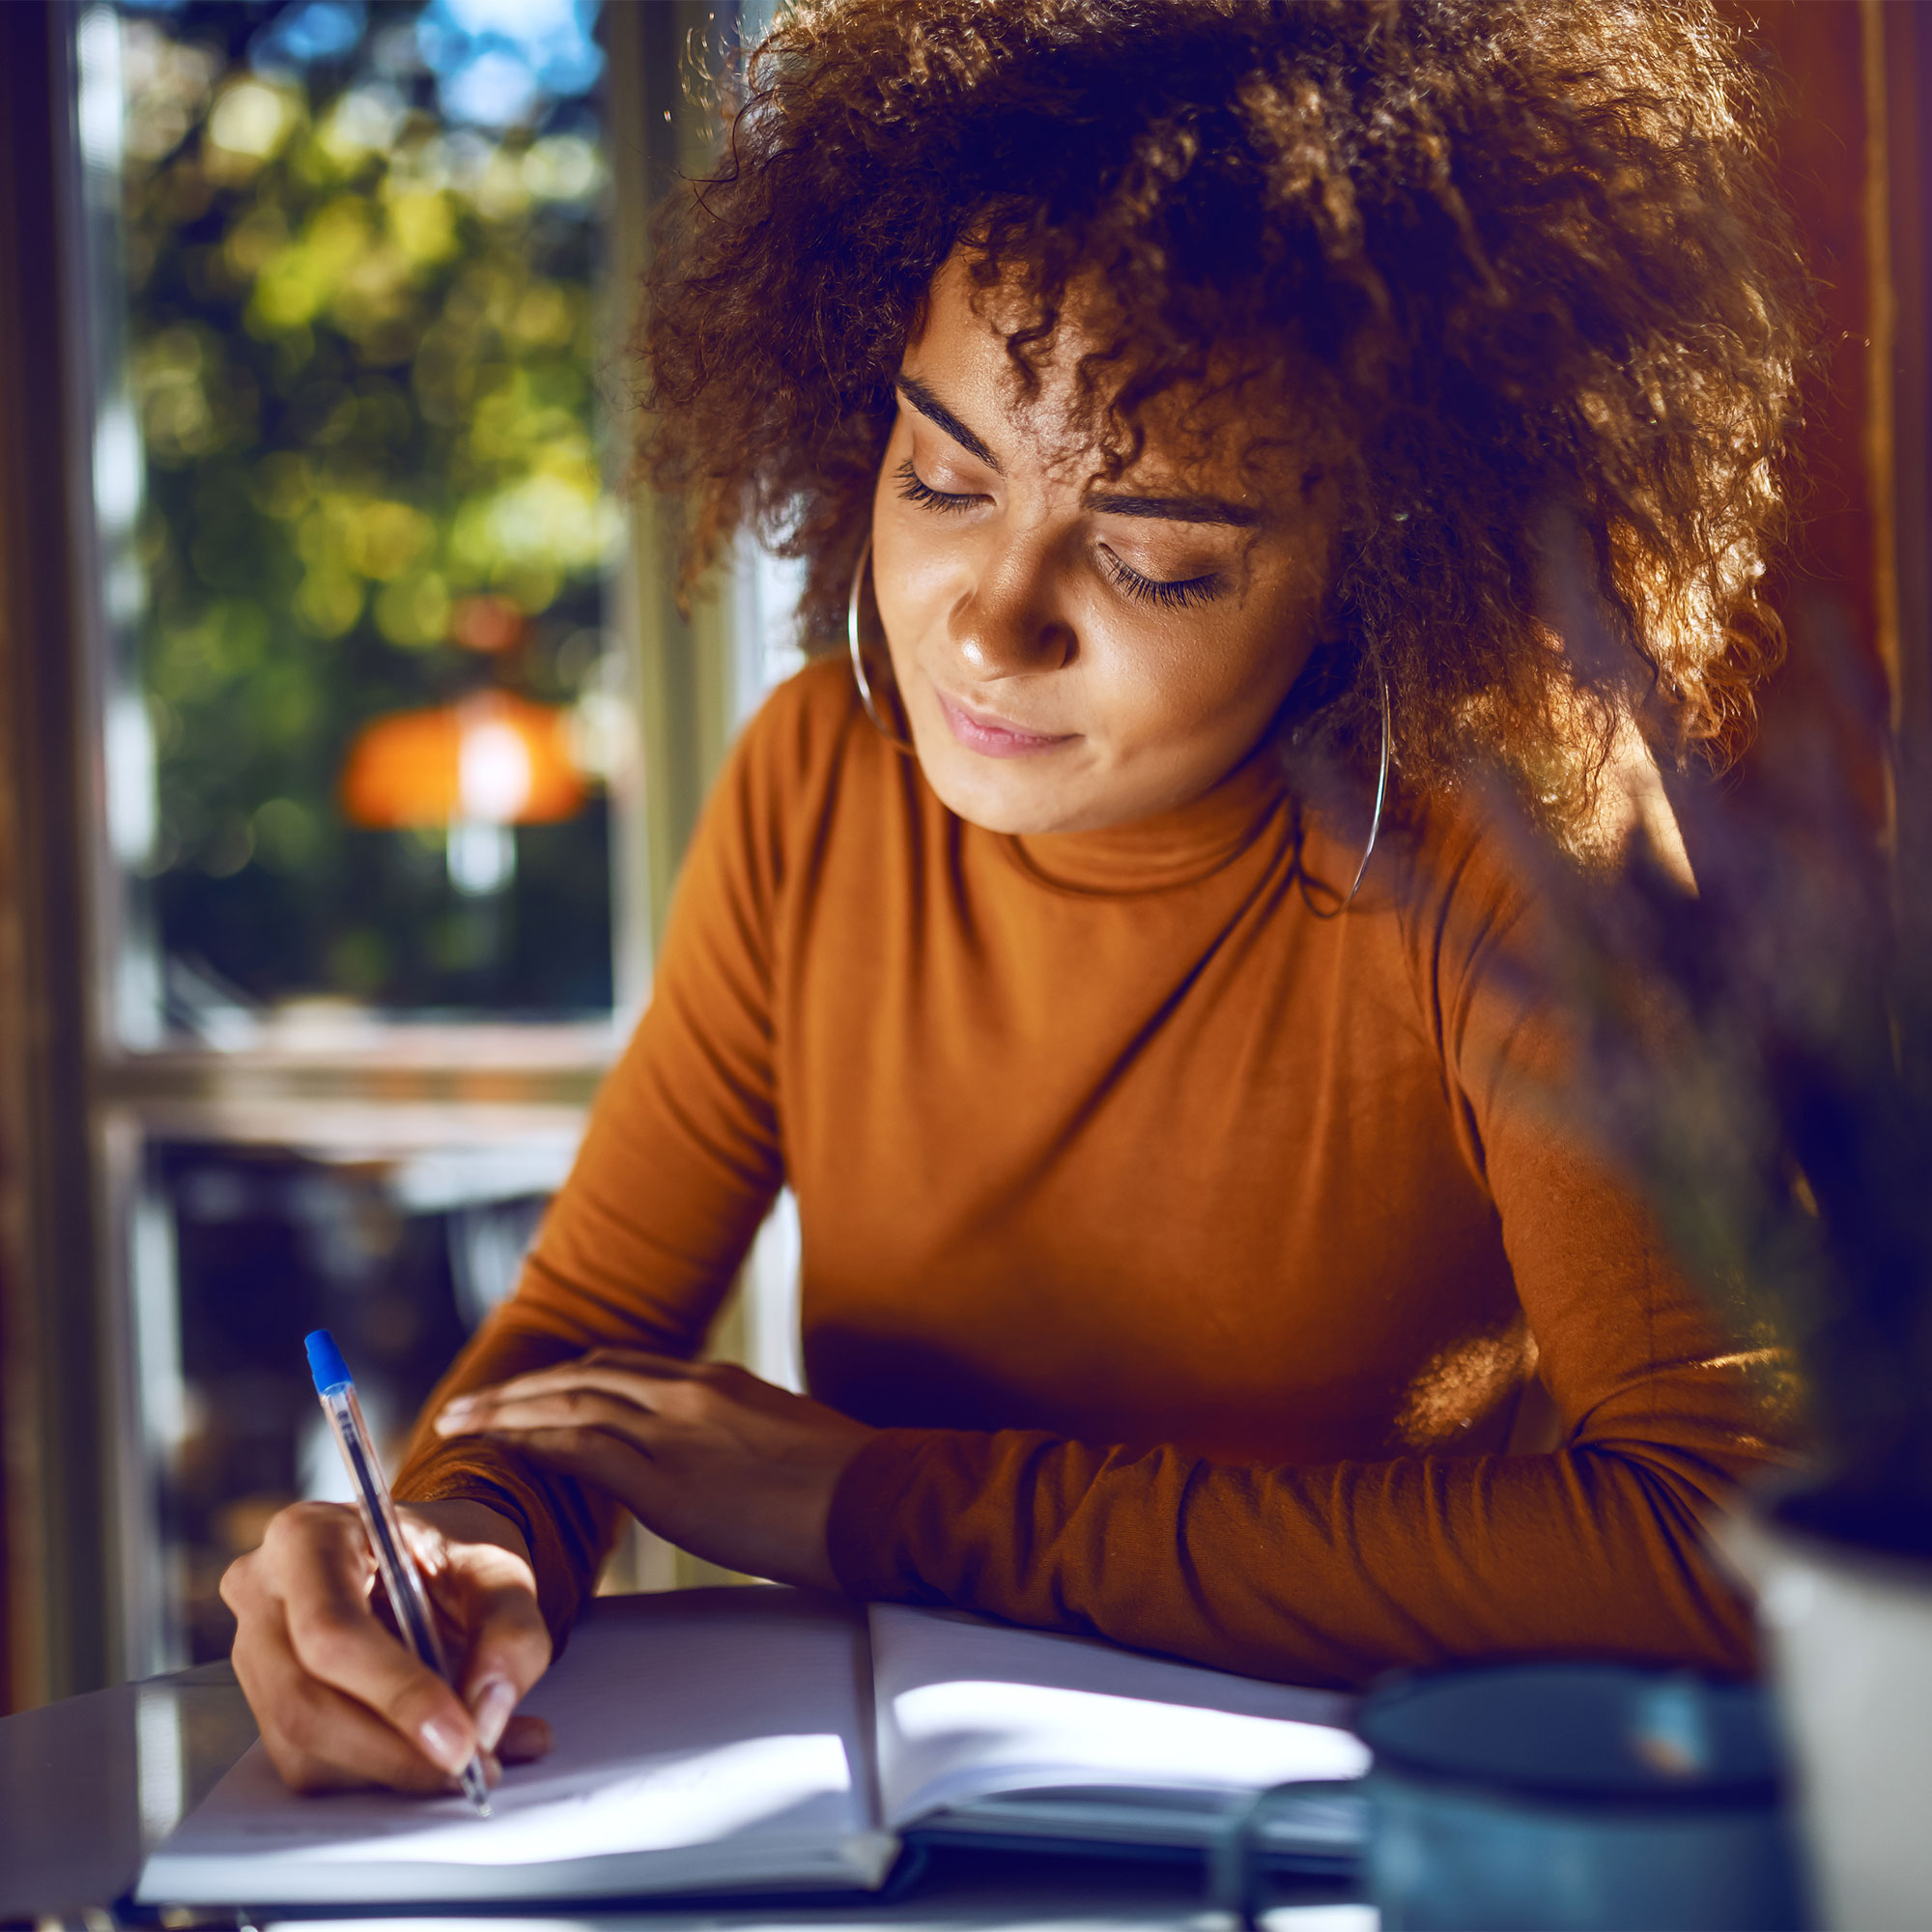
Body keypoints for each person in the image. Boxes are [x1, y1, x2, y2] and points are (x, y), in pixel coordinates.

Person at [221, 0, 1809, 1796]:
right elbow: (587, 1353)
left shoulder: (1511, 843)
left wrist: (891, 1504)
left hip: (1390, 1838)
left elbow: (1728, 1531)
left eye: (1154, 559)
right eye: (942, 474)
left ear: (1382, 575)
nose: (989, 617)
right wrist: (452, 1546)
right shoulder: (819, 780)